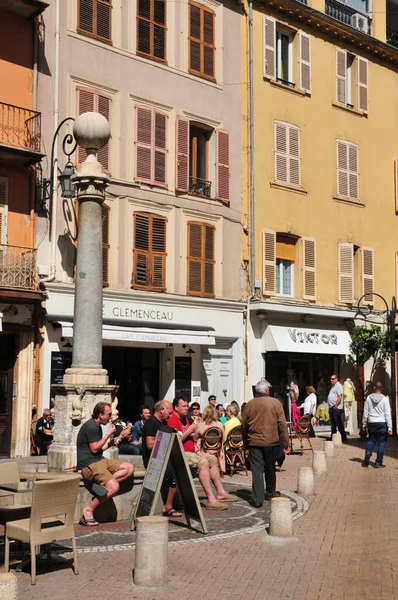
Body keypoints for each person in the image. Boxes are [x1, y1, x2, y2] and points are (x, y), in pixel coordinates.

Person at [168, 397, 237, 510]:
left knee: (213, 459)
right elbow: (175, 442)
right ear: (176, 407)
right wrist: (189, 430)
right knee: (203, 463)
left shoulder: (186, 419)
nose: (187, 408)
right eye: (184, 406)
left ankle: (221, 493)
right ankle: (211, 499)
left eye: (187, 406)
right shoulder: (173, 420)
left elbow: (194, 438)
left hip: (193, 451)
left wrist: (197, 450)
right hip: (181, 453)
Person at [76, 402, 135, 527]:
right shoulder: (92, 426)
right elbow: (94, 449)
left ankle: (102, 490)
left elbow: (98, 449)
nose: (110, 417)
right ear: (100, 414)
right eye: (108, 415)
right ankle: (88, 510)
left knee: (129, 468)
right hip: (89, 465)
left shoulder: (96, 426)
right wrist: (108, 434)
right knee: (114, 487)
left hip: (99, 460)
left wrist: (111, 443)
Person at [241, 380, 289, 508]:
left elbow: (243, 425)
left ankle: (257, 498)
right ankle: (270, 492)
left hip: (254, 441)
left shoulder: (249, 405)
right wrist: (285, 441)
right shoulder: (275, 403)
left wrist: (246, 442)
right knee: (270, 467)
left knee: (256, 469)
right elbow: (282, 424)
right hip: (271, 441)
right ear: (267, 390)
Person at [142, 400, 182, 517]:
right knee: (175, 474)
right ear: (161, 410)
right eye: (169, 413)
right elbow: (150, 445)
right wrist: (167, 438)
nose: (170, 416)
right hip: (153, 461)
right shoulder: (151, 423)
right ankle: (168, 506)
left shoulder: (162, 424)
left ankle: (180, 502)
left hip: (163, 459)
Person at [362, 382, 392, 468]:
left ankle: (368, 452)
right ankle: (378, 462)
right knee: (381, 443)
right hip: (382, 422)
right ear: (382, 388)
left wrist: (364, 423)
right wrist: (390, 427)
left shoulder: (368, 398)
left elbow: (366, 412)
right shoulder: (385, 399)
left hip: (371, 422)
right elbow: (387, 414)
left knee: (371, 440)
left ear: (374, 388)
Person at [193, 405, 225, 472]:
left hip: (205, 448)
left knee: (197, 442)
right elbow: (223, 437)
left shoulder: (200, 425)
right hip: (217, 448)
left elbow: (195, 438)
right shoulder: (219, 424)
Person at [328, 374, 347, 441]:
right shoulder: (334, 386)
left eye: (333, 379)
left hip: (337, 408)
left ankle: (343, 437)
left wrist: (335, 405)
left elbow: (340, 396)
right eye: (331, 379)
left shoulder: (338, 386)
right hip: (332, 407)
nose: (331, 380)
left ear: (336, 379)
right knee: (333, 423)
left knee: (338, 423)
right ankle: (333, 436)